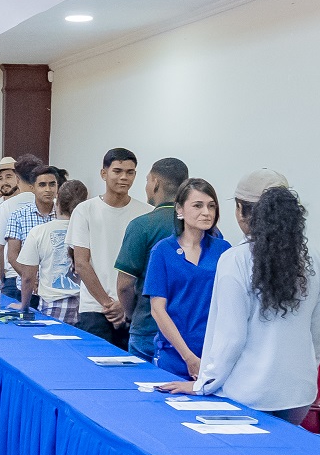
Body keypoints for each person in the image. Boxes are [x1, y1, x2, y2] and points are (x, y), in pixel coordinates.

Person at [159, 178, 320, 423]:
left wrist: (203, 384)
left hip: (248, 395)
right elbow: (316, 332)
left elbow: (231, 338)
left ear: (241, 211)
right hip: (298, 395)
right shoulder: (314, 260)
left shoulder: (235, 260)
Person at [144, 179, 232, 377]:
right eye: (197, 206)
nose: (206, 212)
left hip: (213, 356)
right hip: (174, 355)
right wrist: (188, 357)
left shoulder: (224, 250)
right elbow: (158, 310)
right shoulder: (162, 251)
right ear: (180, 209)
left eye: (211, 206)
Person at [70, 148, 150, 348]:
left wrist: (124, 306)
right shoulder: (85, 210)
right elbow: (81, 263)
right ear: (103, 173)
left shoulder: (146, 213)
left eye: (130, 172)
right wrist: (109, 304)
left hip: (133, 311)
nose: (124, 177)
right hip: (95, 309)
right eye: (118, 171)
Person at [115, 157, 189, 360]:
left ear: (155, 183)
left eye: (147, 180)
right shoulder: (206, 228)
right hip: (190, 329)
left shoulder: (142, 225)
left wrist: (132, 316)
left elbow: (124, 285)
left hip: (148, 327)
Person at [15, 179, 87, 321]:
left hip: (53, 304)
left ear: (57, 201)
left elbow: (28, 277)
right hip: (85, 306)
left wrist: (24, 306)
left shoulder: (39, 232)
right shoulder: (89, 231)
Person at [0, 154, 44, 302]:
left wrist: (0, 278)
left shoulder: (8, 206)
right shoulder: (51, 204)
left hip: (15, 279)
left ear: (17, 179)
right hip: (47, 282)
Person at [5, 165, 61, 309]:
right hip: (27, 289)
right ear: (32, 188)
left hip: (57, 292)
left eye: (52, 184)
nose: (48, 189)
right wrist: (31, 279)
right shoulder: (18, 215)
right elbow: (12, 255)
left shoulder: (65, 216)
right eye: (42, 185)